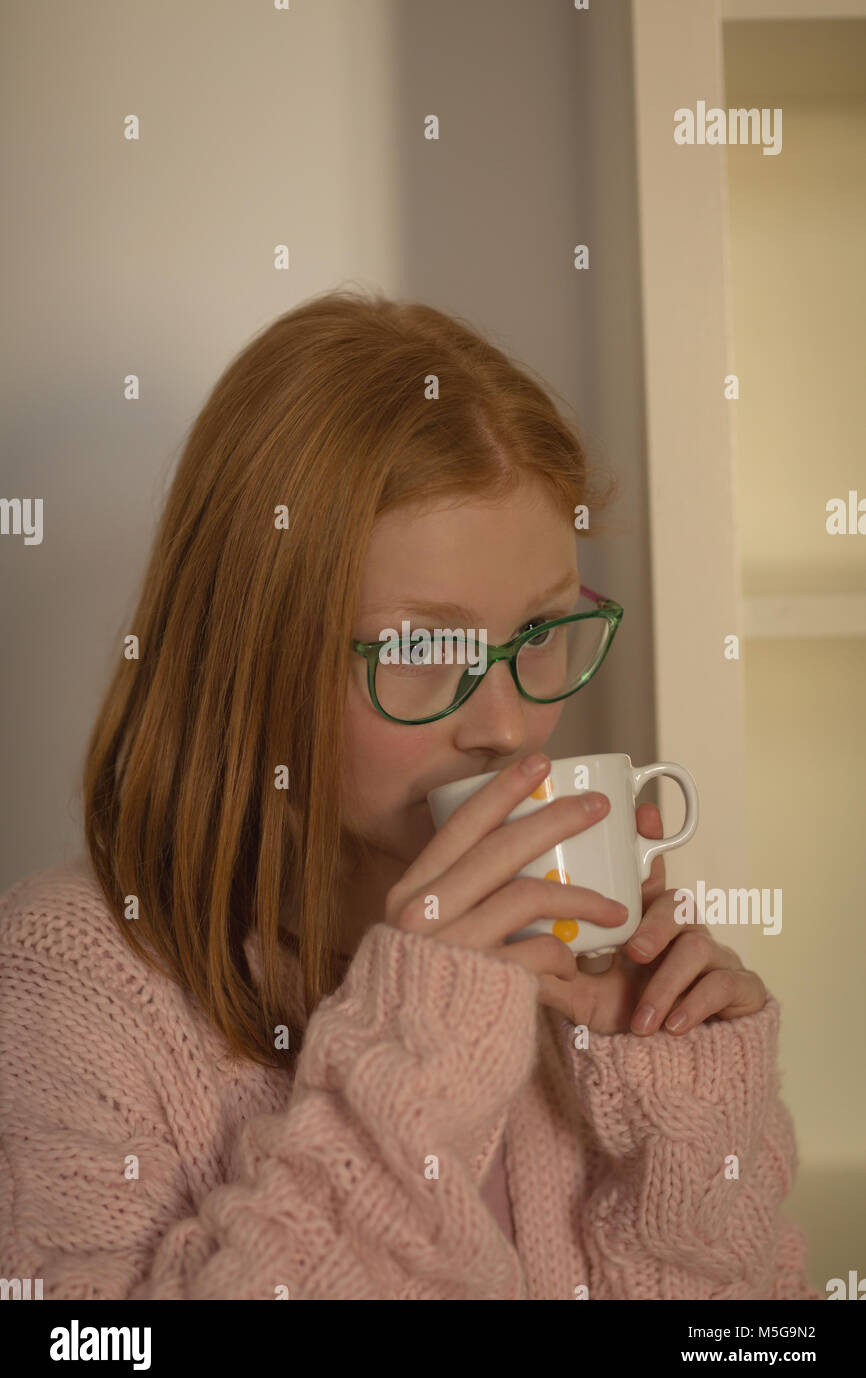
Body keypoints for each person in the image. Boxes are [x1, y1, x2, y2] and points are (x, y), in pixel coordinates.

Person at [0, 289, 821, 1299]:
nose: (507, 726)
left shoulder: (580, 992)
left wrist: (681, 1133)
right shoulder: (67, 983)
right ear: (250, 652)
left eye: (540, 631)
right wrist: (418, 1055)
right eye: (424, 646)